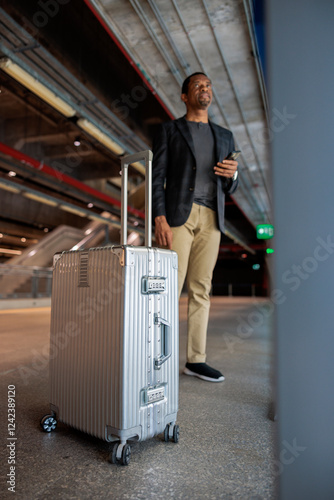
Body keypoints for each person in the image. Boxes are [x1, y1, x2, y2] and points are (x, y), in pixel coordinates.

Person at [152, 72, 239, 382]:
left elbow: (230, 187)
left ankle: (195, 360)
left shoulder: (225, 135)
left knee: (202, 290)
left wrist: (233, 175)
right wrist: (159, 217)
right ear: (185, 96)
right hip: (179, 217)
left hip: (212, 218)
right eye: (198, 85)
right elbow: (156, 176)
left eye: (208, 85)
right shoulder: (169, 131)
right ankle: (157, 358)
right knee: (169, 290)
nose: (205, 88)